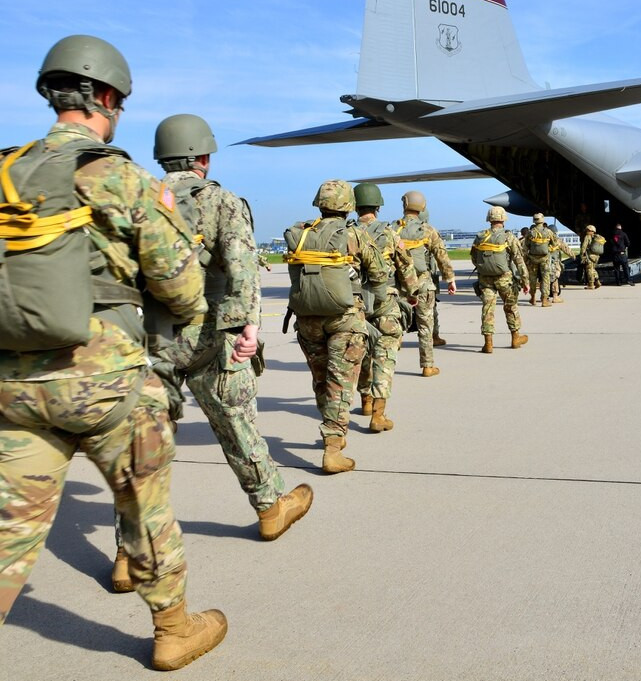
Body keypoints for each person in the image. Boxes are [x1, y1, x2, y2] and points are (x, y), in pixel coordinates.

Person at [0, 35, 225, 670]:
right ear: (105, 96)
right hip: (105, 383)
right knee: (145, 504)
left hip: (14, 384)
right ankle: (174, 629)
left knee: (8, 530)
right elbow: (182, 288)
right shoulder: (119, 176)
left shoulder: (8, 169)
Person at [112, 114, 313, 584]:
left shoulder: (137, 200)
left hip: (152, 336)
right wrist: (249, 329)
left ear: (163, 156)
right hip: (212, 334)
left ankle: (129, 554)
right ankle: (270, 508)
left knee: (142, 443)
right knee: (237, 424)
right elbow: (242, 268)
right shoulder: (222, 201)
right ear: (203, 156)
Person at [285, 180, 389, 473]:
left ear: (319, 203)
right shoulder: (354, 234)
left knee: (321, 379)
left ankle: (332, 431)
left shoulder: (302, 232)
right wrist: (373, 304)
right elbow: (379, 273)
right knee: (340, 382)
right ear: (348, 206)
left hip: (307, 319)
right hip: (344, 318)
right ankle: (332, 448)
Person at [353, 182, 418, 431]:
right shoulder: (389, 233)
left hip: (356, 304)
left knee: (361, 352)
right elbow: (405, 266)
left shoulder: (347, 233)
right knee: (385, 356)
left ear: (355, 206)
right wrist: (412, 293)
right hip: (385, 303)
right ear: (378, 207)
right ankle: (378, 414)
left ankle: (365, 401)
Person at [394, 190, 456, 377]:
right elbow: (441, 255)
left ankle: (388, 362)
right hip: (423, 284)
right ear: (422, 206)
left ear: (405, 204)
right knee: (425, 326)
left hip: (399, 285)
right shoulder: (427, 229)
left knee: (395, 323)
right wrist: (450, 279)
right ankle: (427, 366)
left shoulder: (392, 229)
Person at [470, 206, 529, 353]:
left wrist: (485, 268)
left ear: (489, 219)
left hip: (485, 280)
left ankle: (488, 344)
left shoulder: (480, 236)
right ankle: (515, 338)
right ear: (503, 219)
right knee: (510, 307)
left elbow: (474, 258)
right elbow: (519, 261)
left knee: (487, 309)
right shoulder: (509, 237)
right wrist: (525, 281)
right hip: (504, 279)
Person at [418, 209, 449, 346]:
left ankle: (398, 338)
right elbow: (440, 255)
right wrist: (449, 277)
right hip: (425, 276)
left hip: (404, 277)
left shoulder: (400, 229)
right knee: (431, 309)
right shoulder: (430, 231)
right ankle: (434, 336)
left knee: (401, 308)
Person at [580, 224, 605, 289]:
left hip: (590, 256)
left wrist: (581, 254)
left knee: (589, 270)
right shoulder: (597, 237)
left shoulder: (587, 237)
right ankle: (597, 282)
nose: (586, 231)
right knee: (593, 269)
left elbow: (584, 246)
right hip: (596, 256)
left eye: (587, 230)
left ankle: (591, 285)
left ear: (589, 230)